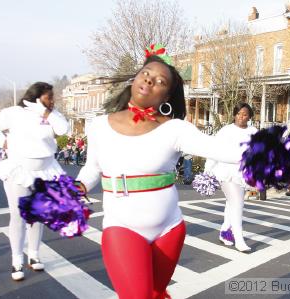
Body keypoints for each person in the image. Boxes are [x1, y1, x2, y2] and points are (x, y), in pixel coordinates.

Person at [76, 48, 244, 299]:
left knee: (156, 294)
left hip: (169, 229)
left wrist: (272, 152)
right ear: (136, 78)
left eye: (160, 81)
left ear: (167, 96)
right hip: (121, 226)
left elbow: (224, 151)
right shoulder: (100, 126)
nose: (149, 80)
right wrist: (76, 187)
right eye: (146, 73)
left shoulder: (176, 129)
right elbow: (92, 169)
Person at [0, 82, 69, 280]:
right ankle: (16, 261)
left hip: (46, 170)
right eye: (49, 97)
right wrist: (2, 141)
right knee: (18, 216)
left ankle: (34, 255)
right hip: (20, 170)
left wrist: (46, 112)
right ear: (37, 96)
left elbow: (64, 130)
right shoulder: (14, 112)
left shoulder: (52, 114)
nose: (53, 100)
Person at [205, 102, 257, 253]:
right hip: (225, 171)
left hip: (242, 173)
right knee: (237, 203)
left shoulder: (254, 132)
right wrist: (208, 170)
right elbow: (214, 150)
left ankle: (225, 231)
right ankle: (239, 239)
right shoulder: (226, 131)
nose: (241, 117)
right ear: (234, 114)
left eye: (245, 114)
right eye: (239, 113)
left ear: (249, 117)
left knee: (232, 203)